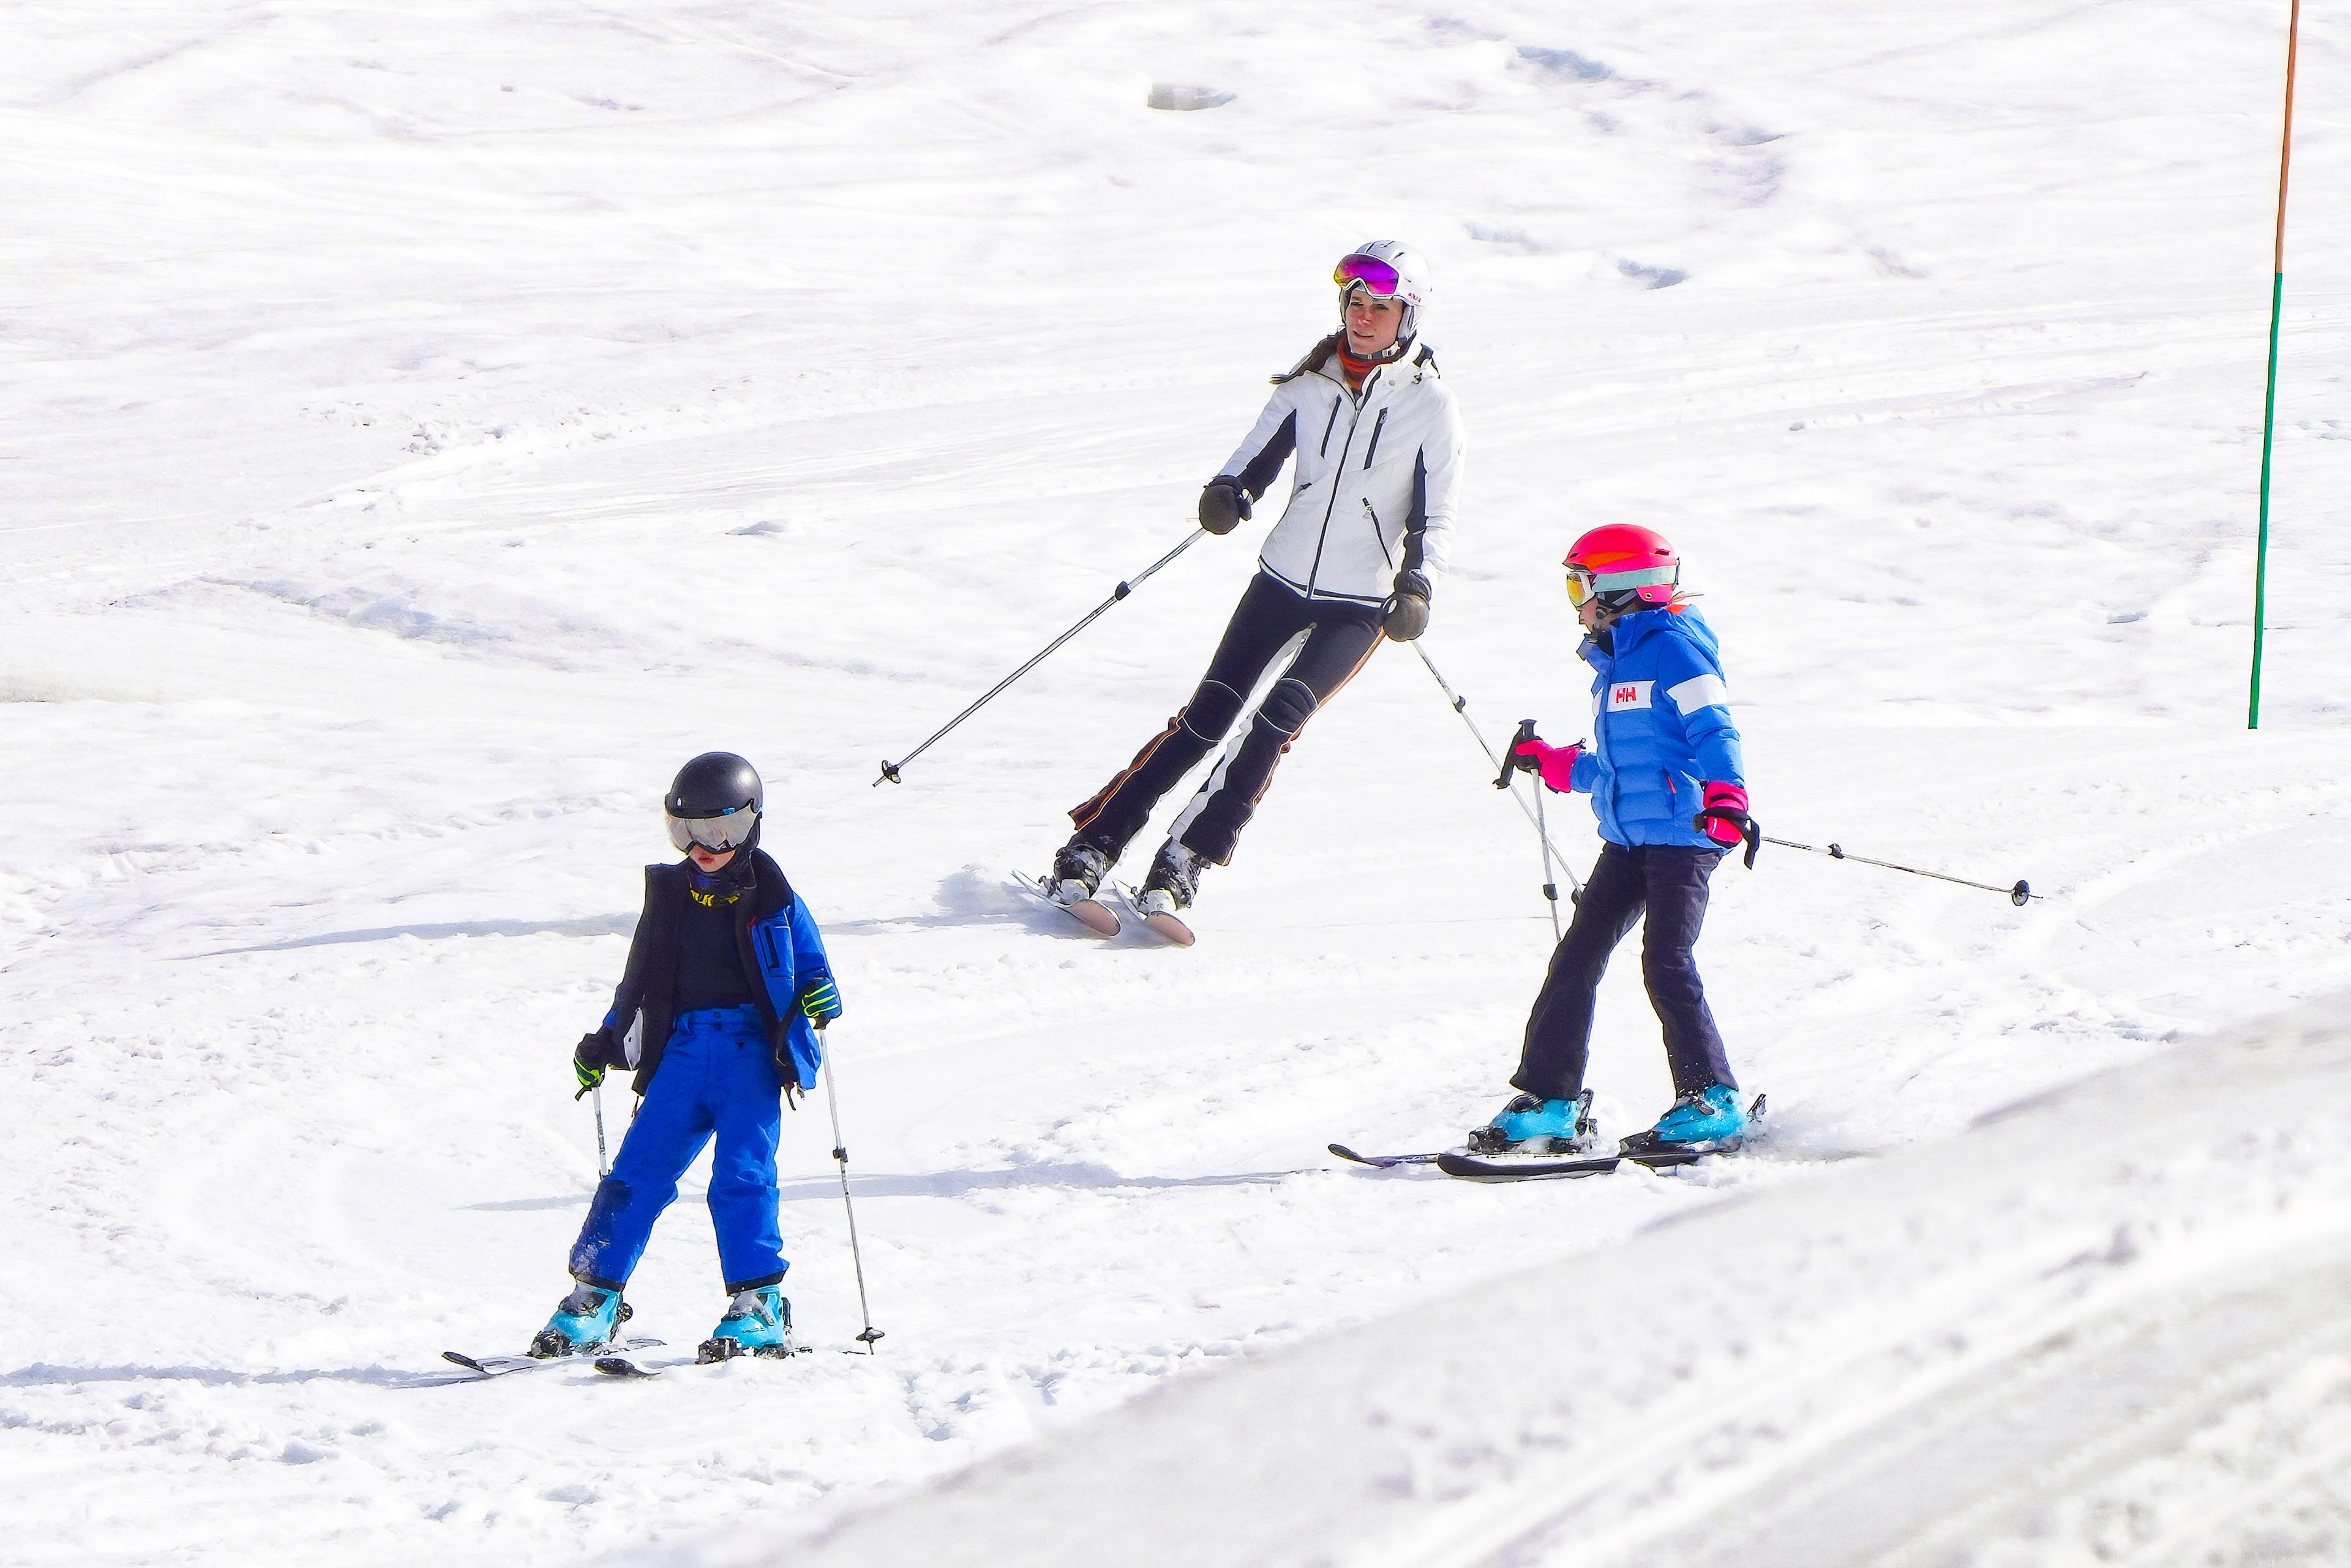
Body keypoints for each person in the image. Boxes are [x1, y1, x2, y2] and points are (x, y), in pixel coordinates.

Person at [1043, 241, 1467, 924]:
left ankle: (1184, 858)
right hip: (1280, 581)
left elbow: (1435, 512)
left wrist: (1417, 585)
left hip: (1358, 606)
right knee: (1204, 719)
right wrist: (1226, 495)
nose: (1362, 317)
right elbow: (1248, 465)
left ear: (1408, 315)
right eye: (1355, 303)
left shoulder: (1432, 408)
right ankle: (1090, 847)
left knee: (1274, 725)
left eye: (1379, 306)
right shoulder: (1308, 388)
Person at [533, 752, 842, 1362]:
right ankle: (592, 1299)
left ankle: (759, 1305)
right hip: (682, 1052)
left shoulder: (776, 897)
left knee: (742, 1176)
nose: (703, 846)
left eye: (718, 831)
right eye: (686, 832)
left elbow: (811, 967)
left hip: (753, 1052)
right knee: (634, 1175)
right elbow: (639, 979)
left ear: (751, 824)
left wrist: (821, 993)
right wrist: (605, 1040)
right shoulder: (670, 895)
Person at [1478, 525, 1755, 1157]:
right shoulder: (1616, 663)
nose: (1574, 602)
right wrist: (1555, 762)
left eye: (1580, 585)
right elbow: (1623, 764)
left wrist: (1727, 795)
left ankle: (1712, 1097)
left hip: (1686, 834)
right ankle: (1551, 1100)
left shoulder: (1676, 649)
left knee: (1665, 958)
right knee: (1575, 958)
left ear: (1621, 590)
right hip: (1629, 838)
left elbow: (1714, 728)